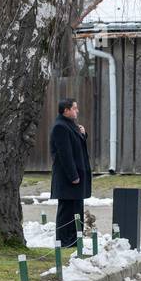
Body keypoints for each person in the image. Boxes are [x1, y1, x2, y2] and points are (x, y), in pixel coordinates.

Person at [49, 97, 91, 248]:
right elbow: (65, 155)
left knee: (76, 209)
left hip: (77, 176)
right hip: (68, 178)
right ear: (66, 110)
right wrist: (73, 176)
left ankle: (74, 239)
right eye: (74, 108)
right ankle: (64, 241)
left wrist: (83, 134)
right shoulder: (60, 127)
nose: (77, 111)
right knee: (66, 211)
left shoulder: (70, 125)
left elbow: (76, 146)